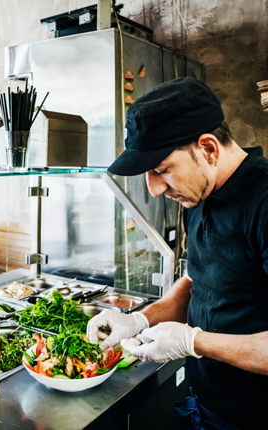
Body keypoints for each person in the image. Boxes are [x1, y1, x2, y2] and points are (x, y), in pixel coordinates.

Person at [87, 77, 268, 430]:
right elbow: (196, 278)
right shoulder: (198, 195)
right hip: (204, 403)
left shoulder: (263, 203)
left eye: (161, 170)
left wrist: (192, 341)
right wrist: (140, 319)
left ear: (209, 149)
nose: (154, 190)